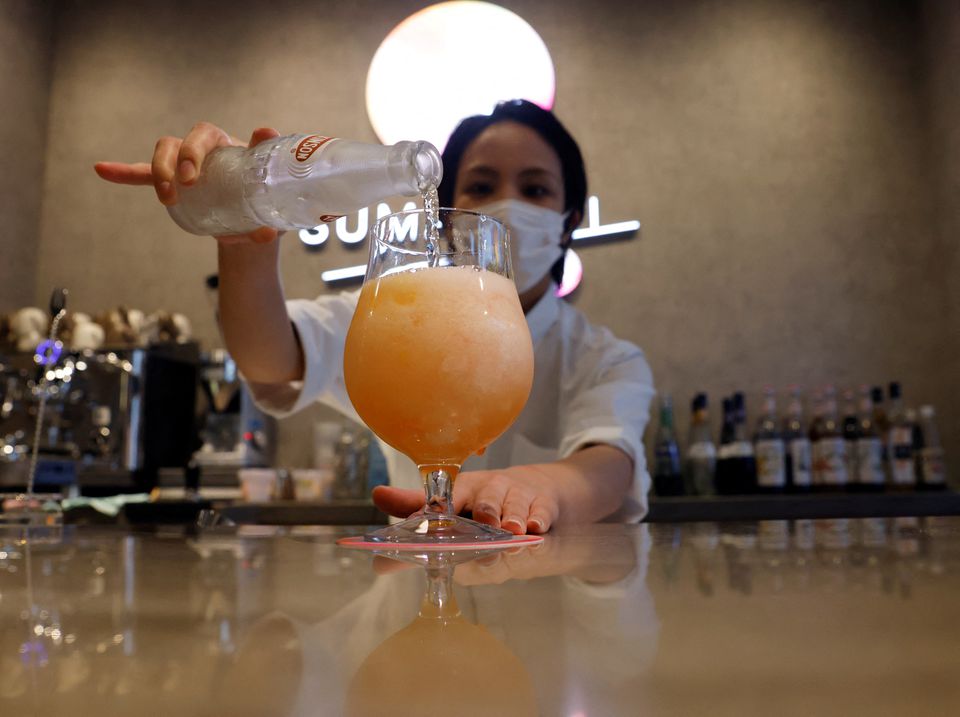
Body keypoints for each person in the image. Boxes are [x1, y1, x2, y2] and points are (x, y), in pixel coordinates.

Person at [95, 99, 656, 533]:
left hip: (553, 625)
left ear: (569, 221)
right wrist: (245, 237)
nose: (506, 204)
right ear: (441, 216)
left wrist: (545, 488)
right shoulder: (402, 316)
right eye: (481, 187)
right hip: (407, 616)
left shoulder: (605, 359)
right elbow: (270, 359)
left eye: (535, 189)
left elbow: (610, 463)